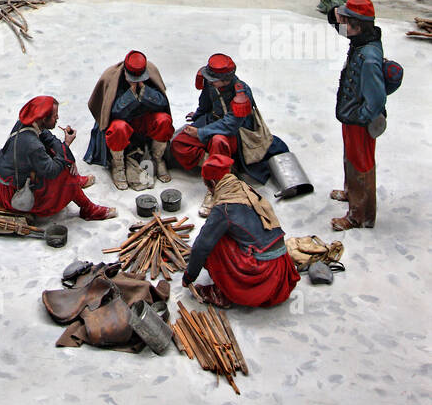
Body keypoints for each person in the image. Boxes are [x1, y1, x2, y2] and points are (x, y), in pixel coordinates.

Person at [180, 140, 299, 308]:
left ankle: (225, 292)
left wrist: (189, 276)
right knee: (223, 233)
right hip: (281, 267)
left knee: (214, 242)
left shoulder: (224, 208)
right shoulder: (244, 187)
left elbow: (201, 246)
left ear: (212, 184)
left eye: (207, 185)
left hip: (263, 275)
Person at [171, 53, 288, 195]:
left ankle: (217, 182)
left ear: (226, 80)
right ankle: (224, 165)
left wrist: (201, 133)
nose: (210, 82)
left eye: (214, 80)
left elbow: (231, 125)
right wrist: (198, 115)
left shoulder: (241, 93)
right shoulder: (211, 84)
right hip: (213, 120)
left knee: (218, 141)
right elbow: (205, 102)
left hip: (235, 132)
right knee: (179, 143)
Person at [327, 0, 394, 231]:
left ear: (356, 24)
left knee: (361, 164)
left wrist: (361, 118)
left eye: (345, 21)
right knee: (351, 158)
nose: (341, 26)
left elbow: (376, 98)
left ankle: (360, 215)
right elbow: (338, 23)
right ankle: (350, 192)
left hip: (360, 120)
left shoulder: (368, 58)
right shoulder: (361, 39)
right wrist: (334, 12)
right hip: (351, 115)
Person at [0, 96, 116, 222]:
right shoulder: (32, 145)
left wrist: (65, 152)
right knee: (65, 175)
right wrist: (66, 147)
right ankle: (88, 208)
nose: (57, 118)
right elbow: (52, 171)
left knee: (56, 153)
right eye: (54, 115)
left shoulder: (32, 122)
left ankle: (76, 182)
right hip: (13, 193)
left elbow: (50, 140)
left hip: (14, 178)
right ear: (43, 118)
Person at [84, 50, 173, 189]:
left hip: (144, 122)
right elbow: (111, 113)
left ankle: (158, 158)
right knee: (118, 128)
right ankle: (118, 166)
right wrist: (130, 94)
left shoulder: (151, 72)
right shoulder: (111, 77)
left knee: (163, 120)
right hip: (124, 125)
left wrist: (145, 91)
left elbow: (162, 103)